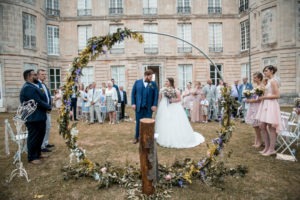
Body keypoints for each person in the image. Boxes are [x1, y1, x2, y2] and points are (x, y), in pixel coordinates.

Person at [155, 78, 205, 148]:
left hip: (173, 107)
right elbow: (159, 99)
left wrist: (172, 100)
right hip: (164, 107)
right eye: (165, 81)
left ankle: (175, 137)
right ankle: (162, 136)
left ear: (171, 82)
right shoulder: (162, 89)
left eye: (167, 81)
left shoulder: (175, 90)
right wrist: (159, 106)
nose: (165, 82)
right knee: (164, 121)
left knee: (174, 121)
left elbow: (179, 99)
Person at [20, 69, 52, 164]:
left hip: (39, 116)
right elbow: (37, 100)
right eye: (34, 75)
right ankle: (32, 157)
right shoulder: (28, 87)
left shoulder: (34, 85)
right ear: (29, 77)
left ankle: (38, 154)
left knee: (40, 136)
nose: (36, 76)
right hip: (33, 117)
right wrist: (48, 107)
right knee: (33, 137)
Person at [255, 65, 282, 156]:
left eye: (266, 71)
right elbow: (261, 89)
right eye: (264, 71)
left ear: (272, 71)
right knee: (262, 125)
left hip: (271, 104)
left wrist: (265, 97)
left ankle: (271, 149)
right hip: (265, 104)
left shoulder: (274, 81)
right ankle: (266, 147)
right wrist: (263, 82)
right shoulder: (268, 81)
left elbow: (277, 95)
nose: (264, 72)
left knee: (271, 127)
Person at [131, 70, 158, 144]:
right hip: (139, 107)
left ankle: (147, 139)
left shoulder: (153, 84)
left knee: (148, 124)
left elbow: (156, 95)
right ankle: (136, 138)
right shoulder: (137, 82)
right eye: (150, 77)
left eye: (152, 77)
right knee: (138, 123)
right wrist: (133, 103)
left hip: (149, 108)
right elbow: (133, 94)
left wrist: (154, 105)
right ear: (146, 75)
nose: (151, 78)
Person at [37, 69, 54, 153]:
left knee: (48, 127)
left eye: (45, 74)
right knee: (43, 128)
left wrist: (50, 105)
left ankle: (46, 142)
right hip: (43, 110)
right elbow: (39, 99)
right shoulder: (37, 85)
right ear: (38, 75)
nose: (44, 75)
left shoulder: (44, 85)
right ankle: (42, 145)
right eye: (42, 74)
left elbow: (47, 97)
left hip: (48, 110)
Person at [245, 72, 264, 148]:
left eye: (255, 77)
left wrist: (250, 101)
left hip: (258, 106)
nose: (253, 79)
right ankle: (257, 140)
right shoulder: (256, 86)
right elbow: (254, 96)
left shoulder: (261, 86)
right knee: (255, 125)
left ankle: (259, 142)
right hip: (253, 106)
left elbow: (259, 99)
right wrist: (248, 98)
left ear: (259, 78)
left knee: (257, 125)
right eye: (253, 77)